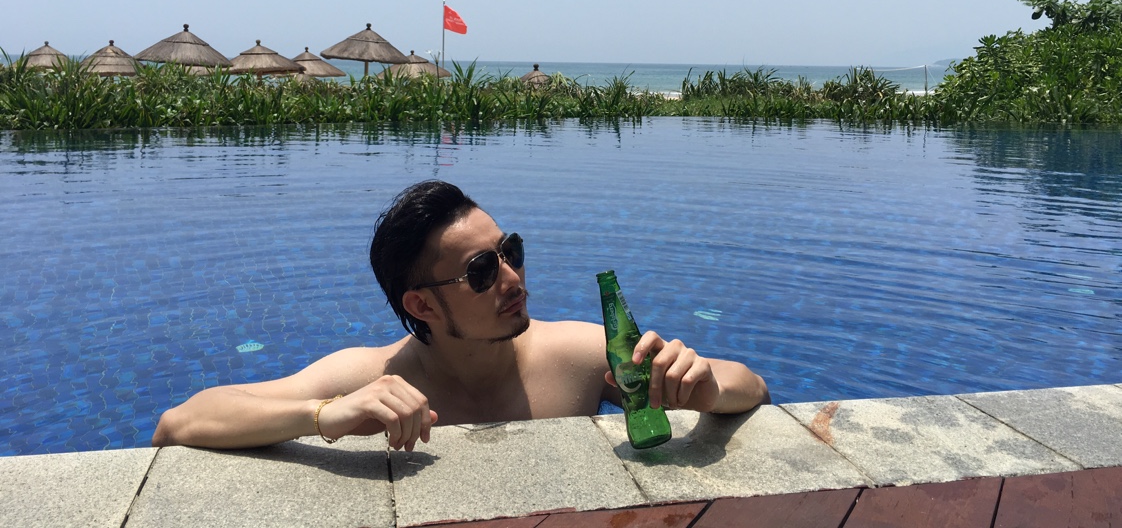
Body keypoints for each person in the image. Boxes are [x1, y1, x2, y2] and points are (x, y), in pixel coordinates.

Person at [153, 180, 769, 450]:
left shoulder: (576, 355)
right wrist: (323, 416)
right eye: (480, 271)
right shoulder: (373, 377)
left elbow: (753, 387)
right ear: (420, 305)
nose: (512, 279)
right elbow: (180, 423)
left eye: (510, 252)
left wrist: (703, 384)